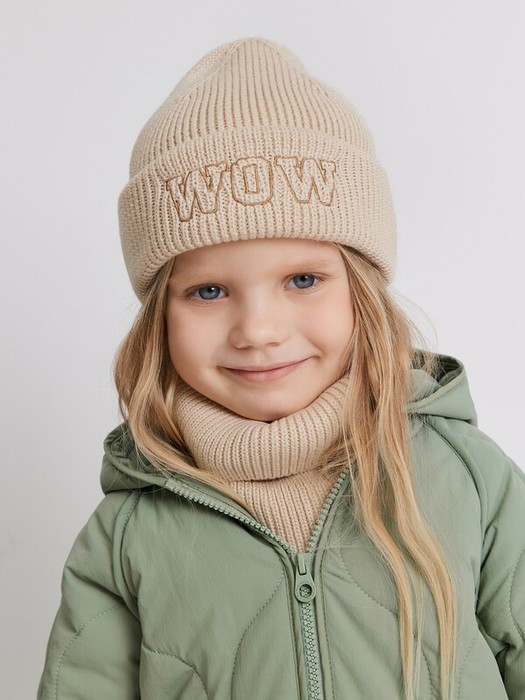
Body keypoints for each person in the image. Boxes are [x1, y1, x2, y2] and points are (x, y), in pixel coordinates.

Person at [38, 37, 525, 700]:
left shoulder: (467, 477)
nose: (258, 331)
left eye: (302, 279)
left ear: (360, 291)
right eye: (209, 290)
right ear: (161, 316)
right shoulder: (127, 536)